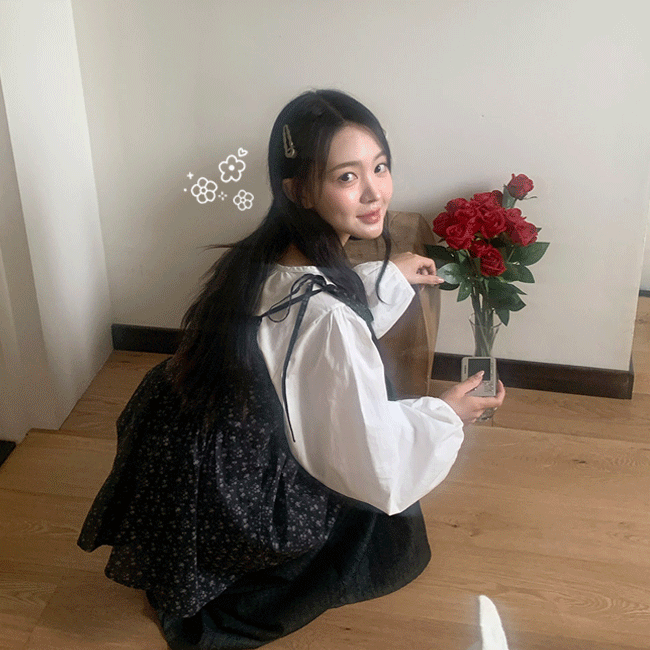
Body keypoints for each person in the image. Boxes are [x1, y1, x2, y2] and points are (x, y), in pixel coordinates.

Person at [78, 89, 505, 649]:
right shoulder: (325, 316)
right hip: (239, 480)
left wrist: (389, 275)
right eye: (347, 177)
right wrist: (445, 414)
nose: (374, 192)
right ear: (298, 189)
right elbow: (367, 456)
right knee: (379, 519)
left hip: (197, 442)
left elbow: (300, 324)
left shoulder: (266, 252)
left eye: (379, 167)